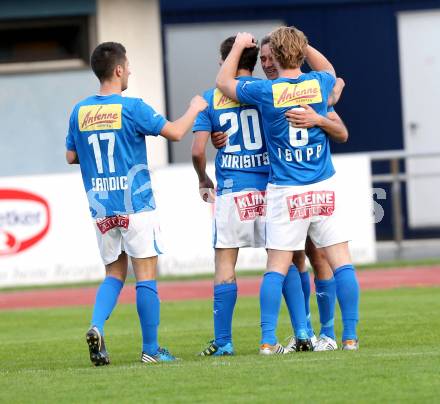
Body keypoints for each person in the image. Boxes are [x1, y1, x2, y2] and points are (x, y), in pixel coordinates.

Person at [216, 27, 360, 352]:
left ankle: (268, 340)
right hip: (322, 184)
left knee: (277, 268)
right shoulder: (319, 84)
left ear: (276, 57)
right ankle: (349, 337)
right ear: (300, 51)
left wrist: (239, 45)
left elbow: (223, 83)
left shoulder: (266, 92)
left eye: (270, 56)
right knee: (342, 263)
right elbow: (330, 71)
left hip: (286, 189)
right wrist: (304, 45)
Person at [65, 41, 207, 365]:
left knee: (114, 273)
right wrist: (196, 108)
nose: (130, 71)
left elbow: (71, 155)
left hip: (102, 206)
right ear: (117, 70)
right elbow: (175, 132)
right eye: (127, 66)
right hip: (136, 204)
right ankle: (152, 350)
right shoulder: (132, 107)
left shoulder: (80, 111)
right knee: (145, 275)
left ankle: (97, 325)